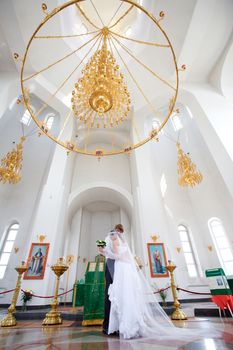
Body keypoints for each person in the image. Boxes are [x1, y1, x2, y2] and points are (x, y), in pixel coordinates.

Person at [98, 229, 220, 341]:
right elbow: (121, 256)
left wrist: (104, 251)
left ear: (115, 237)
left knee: (125, 297)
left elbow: (117, 256)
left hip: (122, 272)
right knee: (126, 297)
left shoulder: (118, 245)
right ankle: (127, 325)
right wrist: (107, 252)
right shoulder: (124, 245)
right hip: (125, 272)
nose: (112, 240)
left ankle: (127, 326)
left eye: (112, 238)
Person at [100, 224, 124, 335]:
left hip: (119, 265)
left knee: (118, 294)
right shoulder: (108, 237)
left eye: (120, 233)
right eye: (118, 231)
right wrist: (104, 250)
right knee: (110, 294)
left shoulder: (119, 239)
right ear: (116, 230)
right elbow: (101, 250)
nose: (119, 234)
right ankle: (107, 325)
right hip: (111, 265)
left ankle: (118, 324)